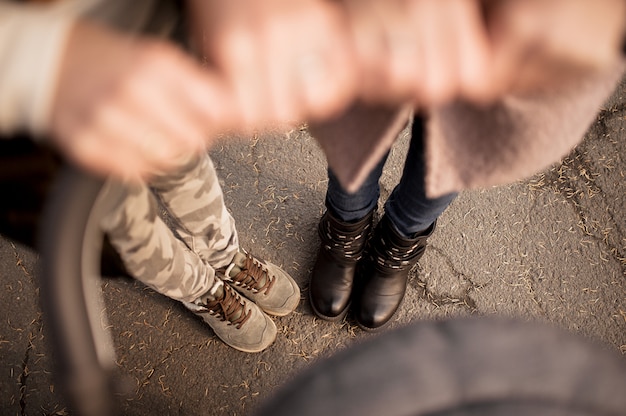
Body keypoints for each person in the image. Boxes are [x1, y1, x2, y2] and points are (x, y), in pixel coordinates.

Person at [0, 0, 301, 353]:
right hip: (25, 118)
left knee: (181, 159)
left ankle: (225, 257)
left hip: (122, 36)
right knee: (125, 227)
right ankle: (201, 290)